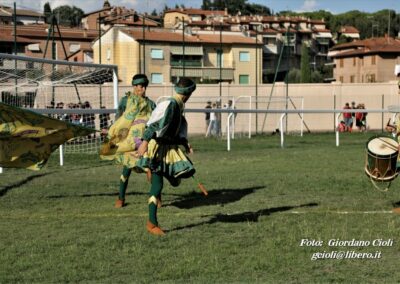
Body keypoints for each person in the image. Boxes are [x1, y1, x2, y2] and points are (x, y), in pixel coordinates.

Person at [136, 77, 197, 236]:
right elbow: (155, 124)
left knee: (177, 180)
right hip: (157, 149)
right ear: (189, 93)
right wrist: (144, 142)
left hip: (169, 149)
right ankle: (152, 223)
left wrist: (184, 143)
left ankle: (157, 173)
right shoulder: (170, 104)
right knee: (157, 186)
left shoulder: (178, 105)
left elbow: (176, 128)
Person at [100, 74, 156, 208]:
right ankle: (121, 198)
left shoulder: (151, 104)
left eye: (142, 86)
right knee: (127, 169)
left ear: (145, 87)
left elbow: (155, 122)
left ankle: (156, 196)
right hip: (129, 140)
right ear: (133, 86)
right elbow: (120, 118)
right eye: (137, 86)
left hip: (146, 141)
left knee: (151, 169)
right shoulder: (126, 100)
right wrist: (111, 130)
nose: (139, 88)